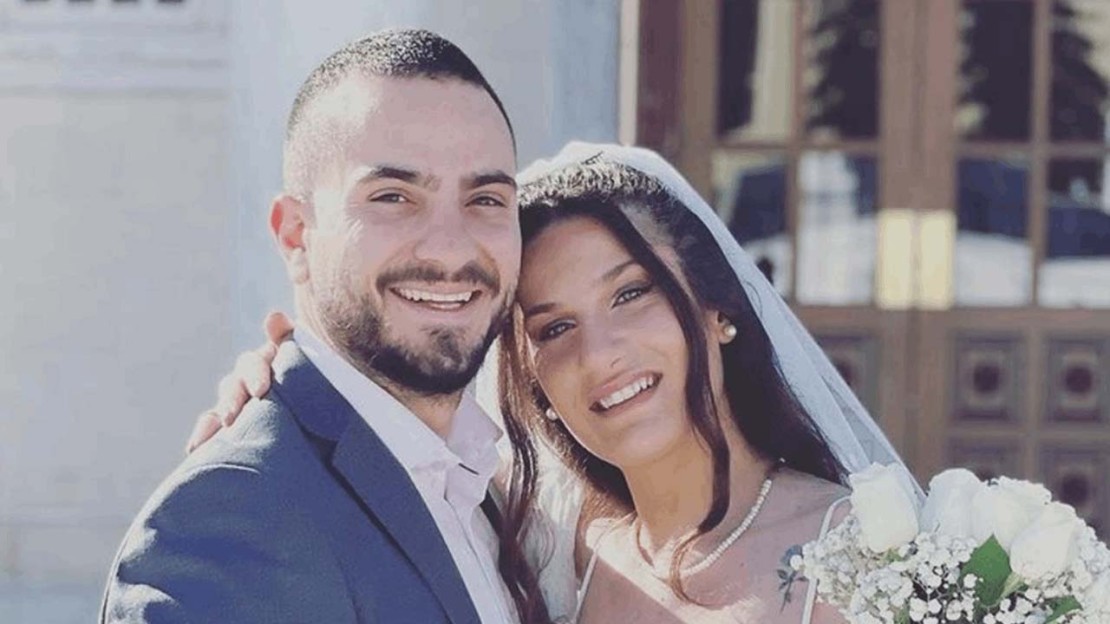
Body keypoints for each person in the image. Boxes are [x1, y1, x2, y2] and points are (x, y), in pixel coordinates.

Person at [200, 143, 915, 623]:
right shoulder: (543, 551)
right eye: (554, 328)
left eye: (631, 294)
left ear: (717, 308)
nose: (600, 354)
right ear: (533, 382)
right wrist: (283, 399)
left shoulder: (862, 550)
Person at [100, 29, 548, 624]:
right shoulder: (236, 516)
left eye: (486, 199)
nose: (449, 250)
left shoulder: (486, 484)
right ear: (295, 236)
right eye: (393, 197)